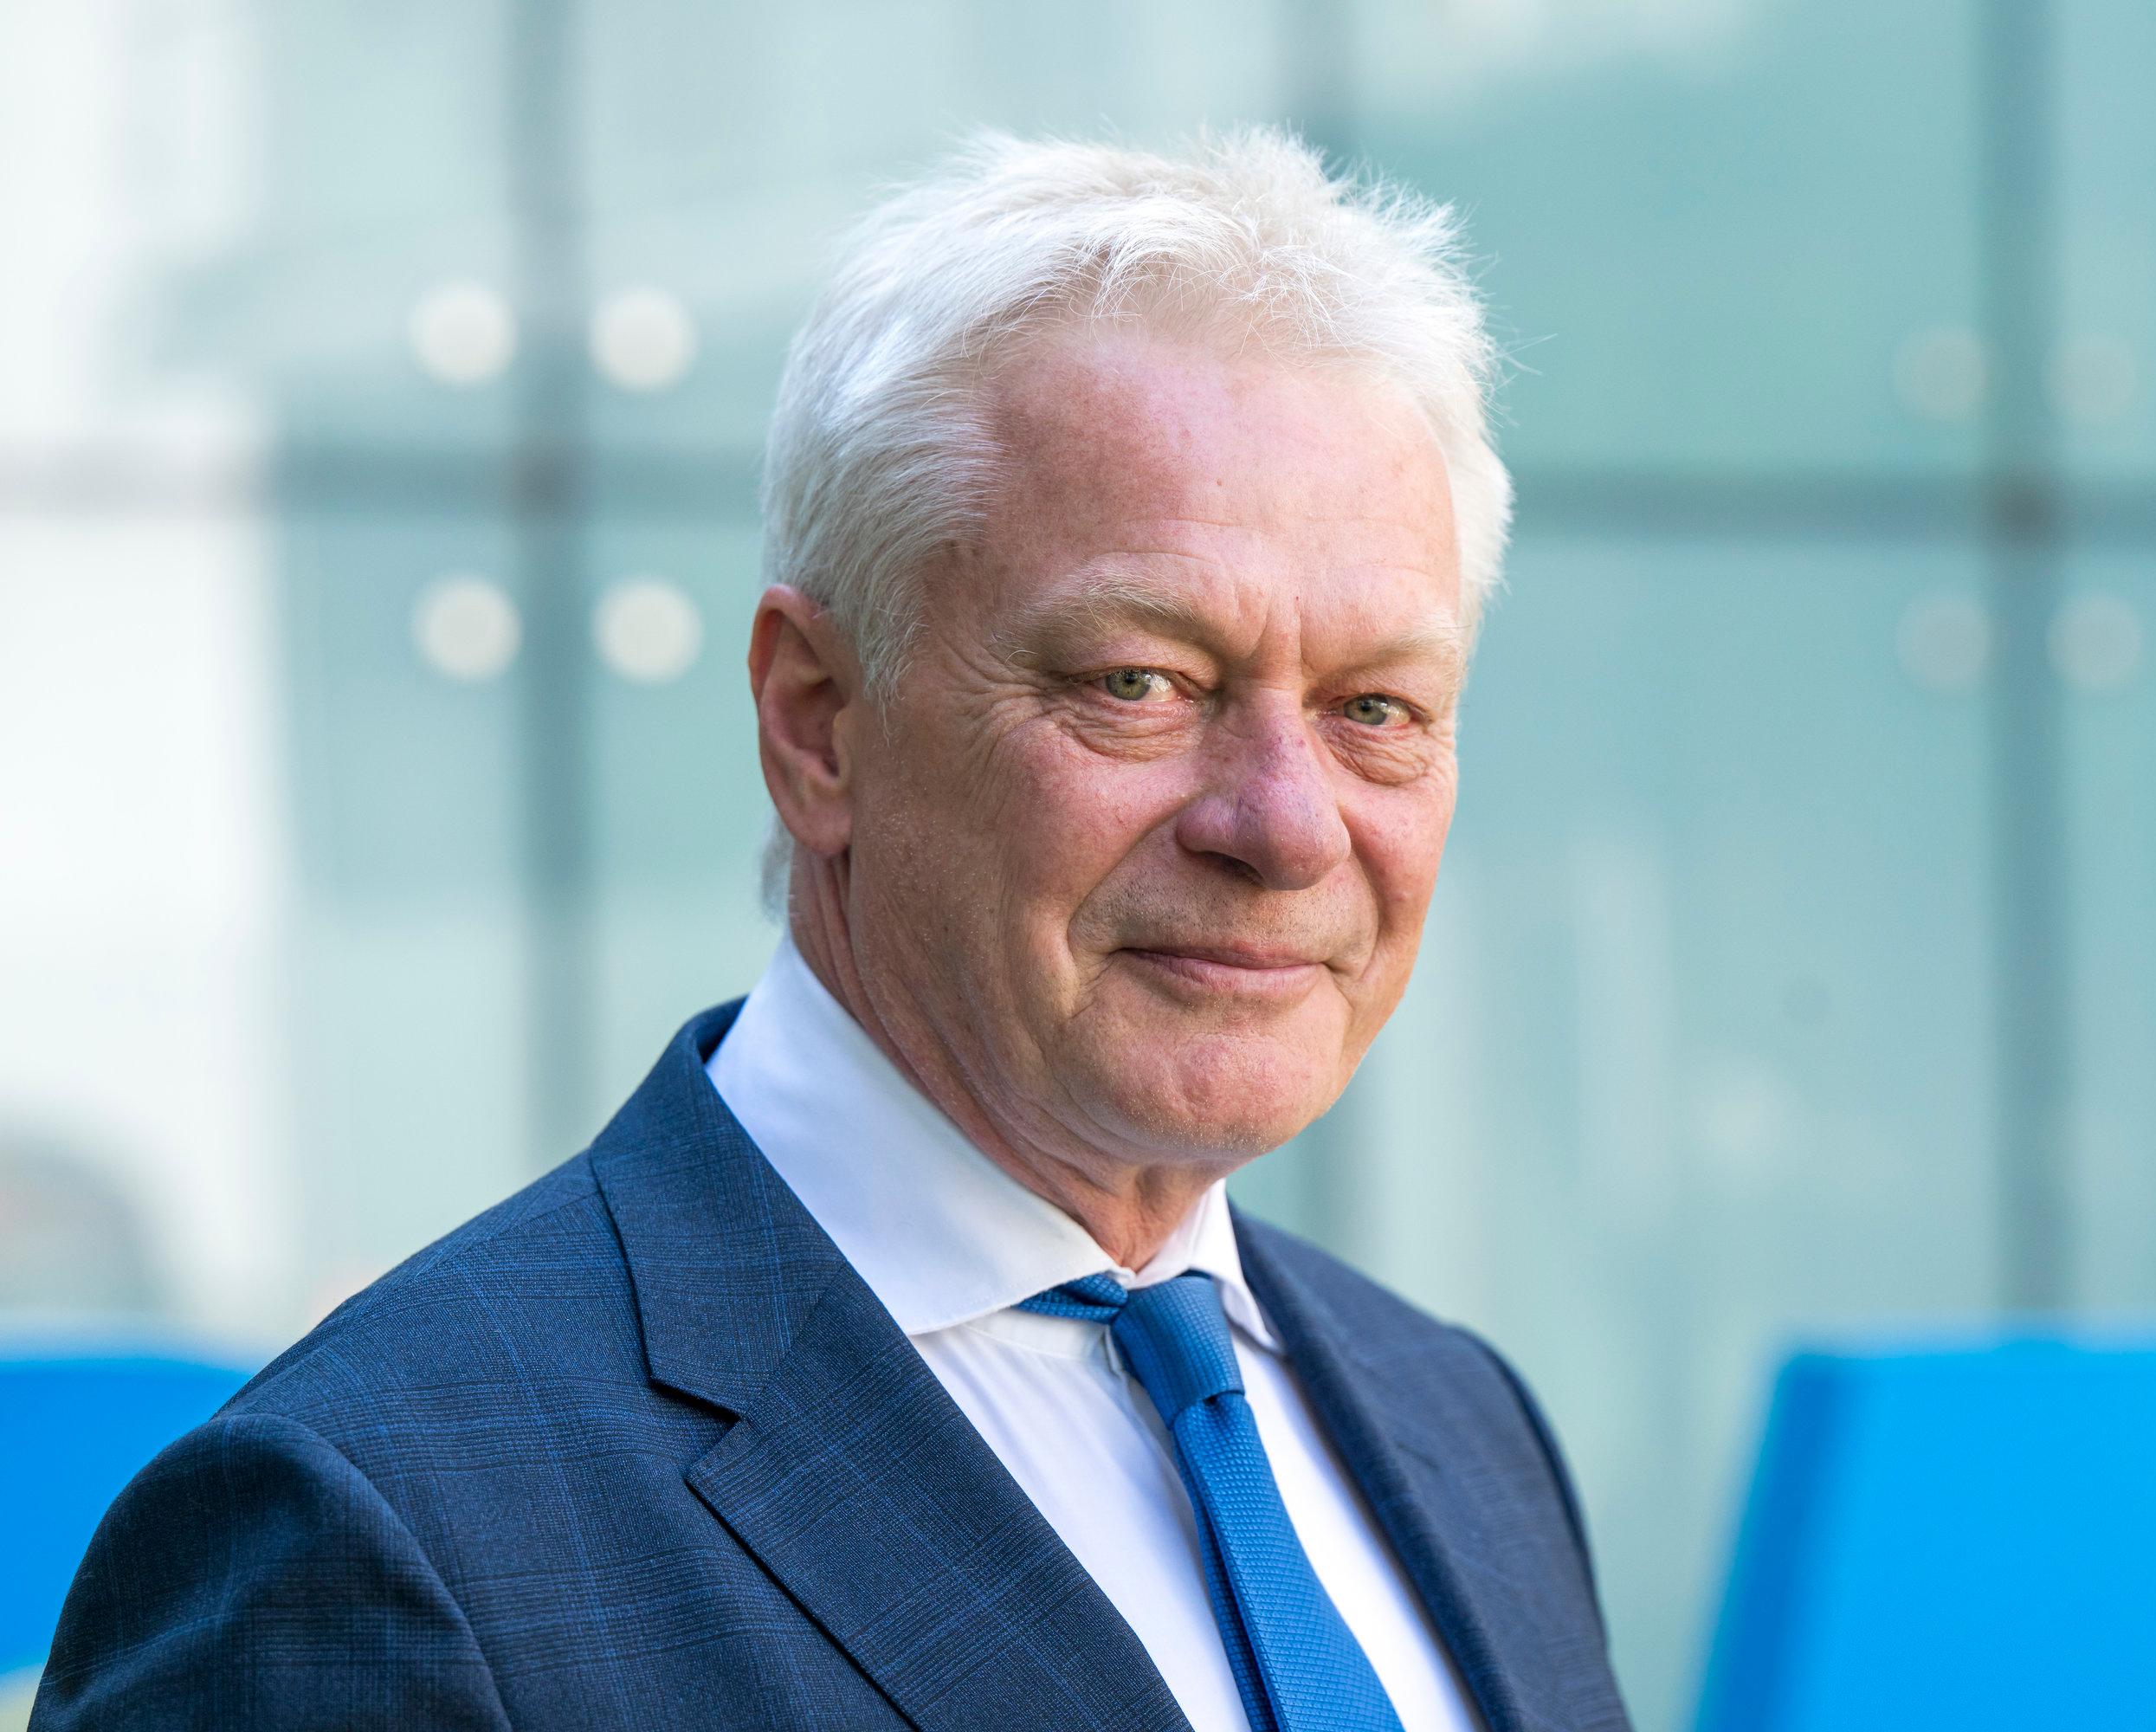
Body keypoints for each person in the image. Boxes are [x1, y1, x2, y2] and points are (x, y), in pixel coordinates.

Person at [35, 131, 1631, 1732]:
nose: (1284, 827)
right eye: (1137, 681)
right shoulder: (374, 1537)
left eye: (1377, 709)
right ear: (818, 723)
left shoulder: (1463, 1430)